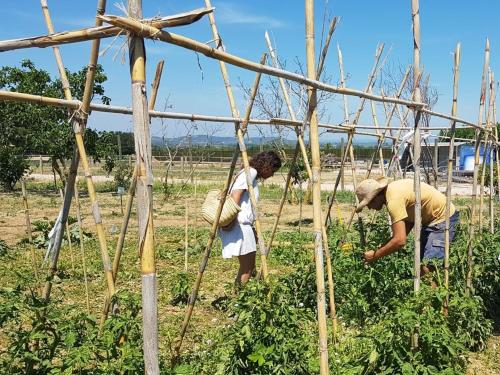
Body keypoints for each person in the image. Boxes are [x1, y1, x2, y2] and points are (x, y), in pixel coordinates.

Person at [355, 177, 460, 275]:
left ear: (375, 197)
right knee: (422, 265)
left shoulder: (393, 201)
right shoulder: (393, 190)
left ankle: (431, 294)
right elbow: (407, 225)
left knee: (428, 267)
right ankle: (425, 292)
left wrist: (375, 255)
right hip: (431, 220)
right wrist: (382, 249)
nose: (368, 207)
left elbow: (400, 241)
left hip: (443, 218)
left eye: (368, 203)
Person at [219, 151, 282, 285]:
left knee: (248, 267)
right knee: (247, 269)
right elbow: (236, 195)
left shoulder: (248, 173)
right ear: (267, 166)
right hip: (238, 225)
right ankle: (238, 301)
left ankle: (238, 298)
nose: (272, 175)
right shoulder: (250, 172)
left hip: (242, 226)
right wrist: (230, 220)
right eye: (273, 170)